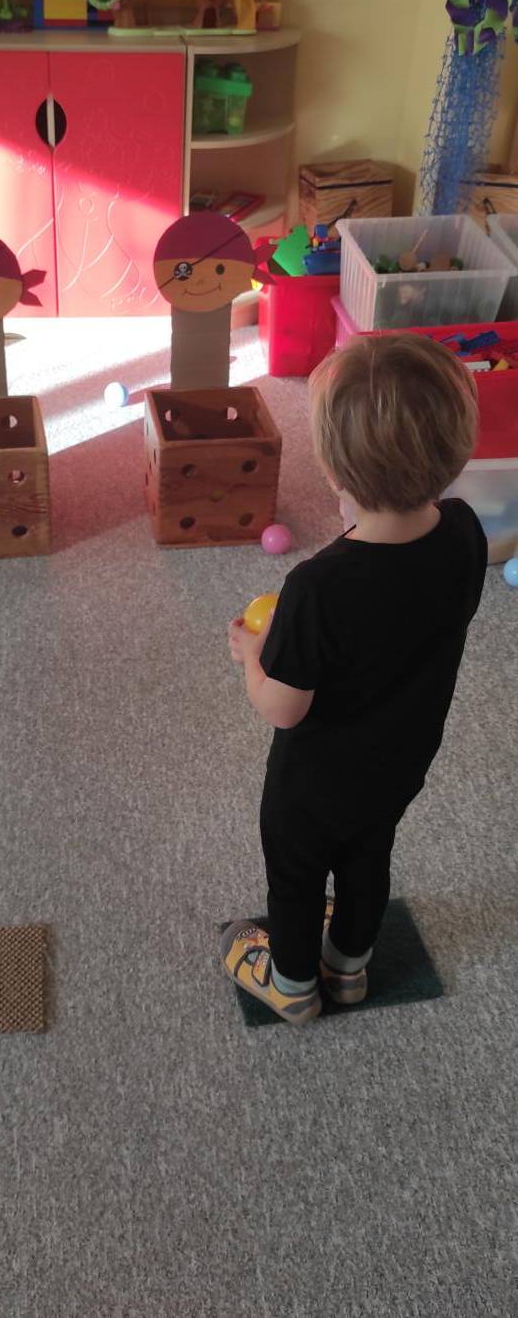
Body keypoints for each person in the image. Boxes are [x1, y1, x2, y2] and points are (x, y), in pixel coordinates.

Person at [221, 332, 487, 1024]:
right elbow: (408, 613)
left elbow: (282, 708)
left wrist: (254, 656)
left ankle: (290, 984)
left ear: (335, 473)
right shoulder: (465, 533)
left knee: (297, 876)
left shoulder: (317, 587)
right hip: (400, 761)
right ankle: (348, 969)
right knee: (369, 855)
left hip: (313, 783)